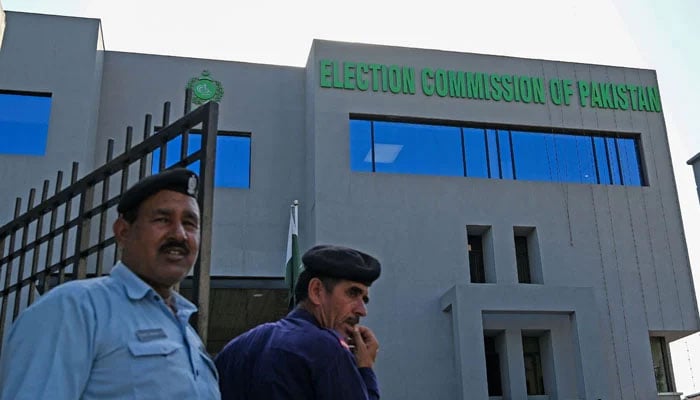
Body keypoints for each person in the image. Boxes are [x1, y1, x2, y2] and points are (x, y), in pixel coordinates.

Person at [0, 168, 221, 400]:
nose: (179, 234)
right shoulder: (74, 308)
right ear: (123, 232)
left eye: (189, 223)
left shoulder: (188, 333)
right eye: (163, 220)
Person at [215, 244, 382, 400]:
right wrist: (365, 369)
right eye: (353, 293)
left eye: (364, 300)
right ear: (316, 291)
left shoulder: (235, 349)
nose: (362, 310)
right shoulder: (326, 348)